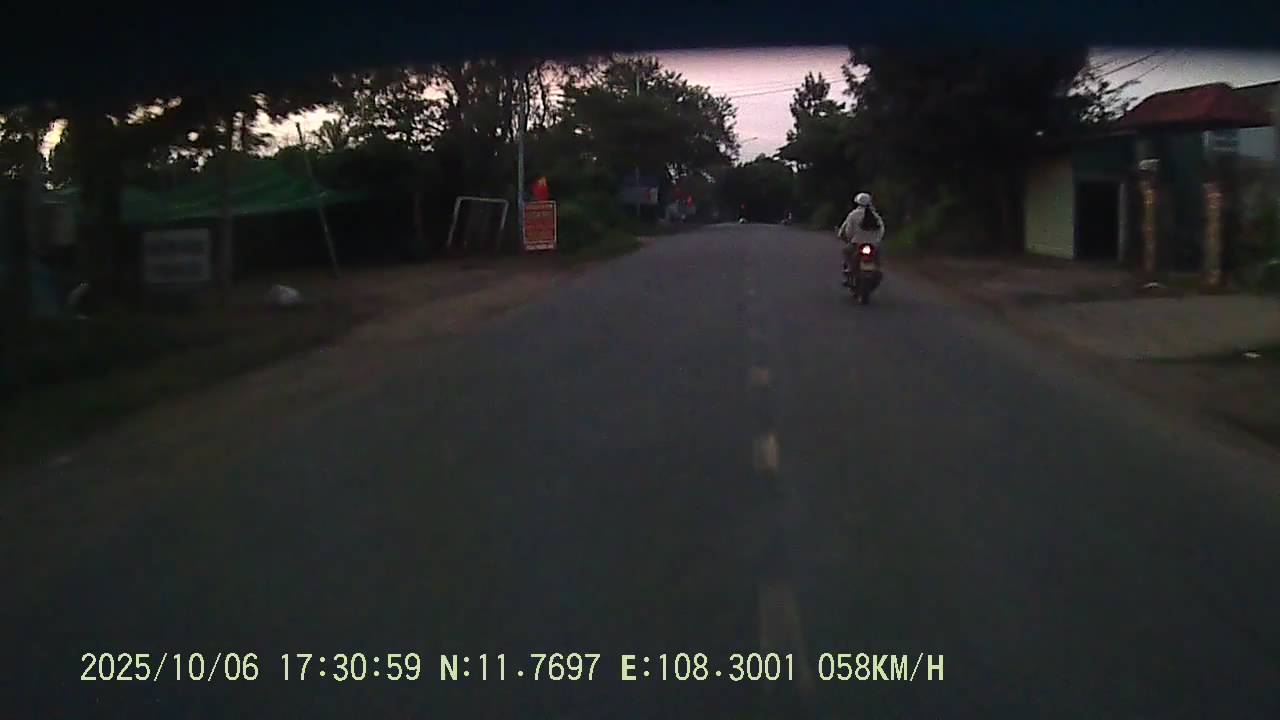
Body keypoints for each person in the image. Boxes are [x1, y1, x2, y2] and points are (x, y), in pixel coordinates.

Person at [838, 192, 885, 286]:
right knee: (878, 258)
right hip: (874, 244)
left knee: (846, 252)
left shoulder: (853, 215)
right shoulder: (875, 215)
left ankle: (850, 269)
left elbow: (848, 231)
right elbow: (881, 230)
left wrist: (848, 238)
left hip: (856, 244)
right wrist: (876, 240)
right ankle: (878, 270)